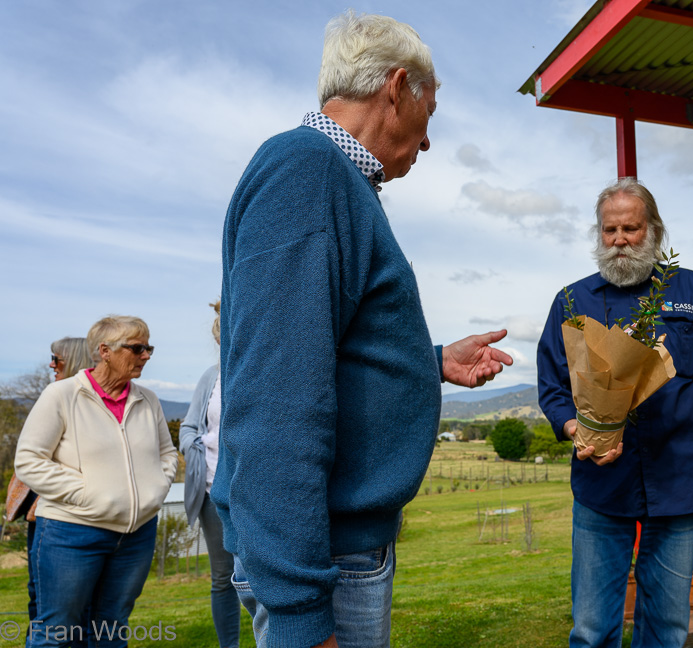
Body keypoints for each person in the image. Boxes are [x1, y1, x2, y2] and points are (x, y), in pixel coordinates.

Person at [213, 10, 513, 648]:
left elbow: (324, 348)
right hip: (327, 559)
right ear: (396, 87)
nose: (428, 142)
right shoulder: (308, 173)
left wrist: (429, 360)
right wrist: (298, 611)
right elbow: (276, 401)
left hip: (338, 549)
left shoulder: (333, 179)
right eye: (429, 115)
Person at [537, 177, 693, 648]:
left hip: (682, 479)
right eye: (610, 230)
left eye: (630, 228)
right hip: (601, 485)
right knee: (590, 630)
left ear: (653, 231)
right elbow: (552, 387)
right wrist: (576, 428)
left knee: (667, 628)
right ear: (598, 234)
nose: (620, 240)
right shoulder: (572, 301)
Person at [15, 315, 178, 648]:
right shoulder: (60, 395)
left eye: (149, 348)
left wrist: (155, 490)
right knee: (57, 632)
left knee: (112, 630)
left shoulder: (148, 400)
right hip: (72, 532)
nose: (146, 355)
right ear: (105, 350)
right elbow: (29, 462)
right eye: (137, 348)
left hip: (136, 537)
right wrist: (87, 494)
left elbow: (168, 454)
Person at [5, 336, 96, 629]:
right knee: (38, 593)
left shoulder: (92, 406)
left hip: (73, 512)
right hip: (40, 511)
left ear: (73, 362)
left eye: (56, 359)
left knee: (82, 599)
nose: (51, 364)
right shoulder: (52, 397)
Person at [179, 301, 242, 648]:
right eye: (221, 337)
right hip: (212, 491)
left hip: (250, 492)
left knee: (264, 573)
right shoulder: (211, 375)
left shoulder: (257, 369)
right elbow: (188, 427)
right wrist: (198, 447)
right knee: (223, 578)